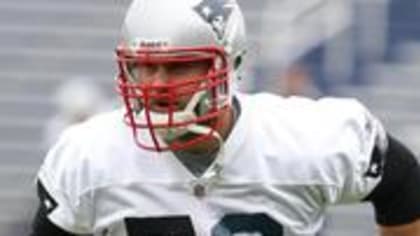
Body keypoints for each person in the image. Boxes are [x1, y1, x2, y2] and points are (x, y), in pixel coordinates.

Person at [30, 0, 420, 235]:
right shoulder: (88, 158)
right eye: (145, 66)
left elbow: (403, 184)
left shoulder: (304, 138)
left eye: (179, 67)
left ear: (230, 63)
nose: (157, 85)